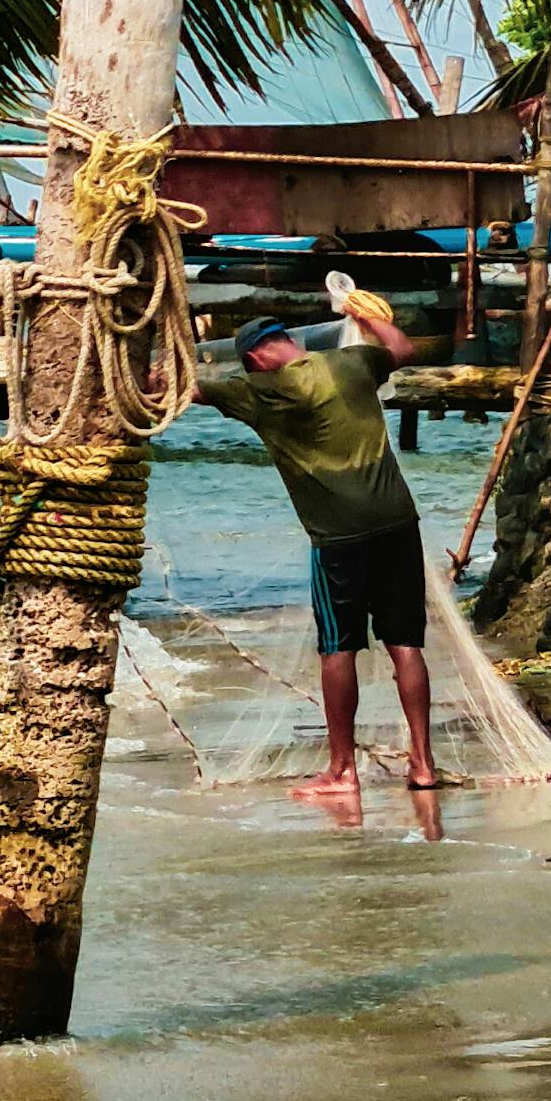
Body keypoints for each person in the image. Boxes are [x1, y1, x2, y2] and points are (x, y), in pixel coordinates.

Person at [194, 306, 441, 835]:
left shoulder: (256, 391)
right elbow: (403, 350)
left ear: (257, 358)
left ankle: (342, 771)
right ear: (287, 341)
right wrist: (366, 314)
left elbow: (177, 391)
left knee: (338, 647)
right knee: (406, 645)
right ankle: (423, 764)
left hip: (338, 537)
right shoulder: (351, 363)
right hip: (398, 521)